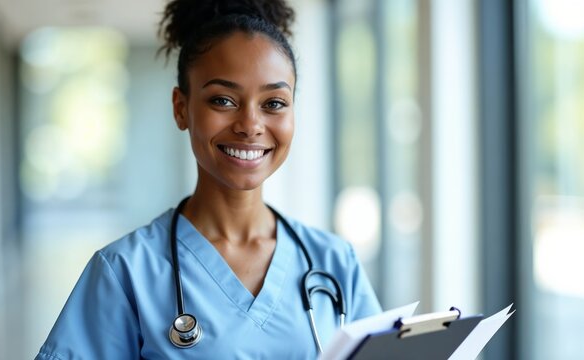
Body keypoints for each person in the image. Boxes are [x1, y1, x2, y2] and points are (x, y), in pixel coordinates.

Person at [35, 0, 381, 358]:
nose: (250, 125)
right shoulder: (126, 272)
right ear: (181, 108)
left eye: (274, 103)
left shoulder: (334, 261)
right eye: (223, 100)